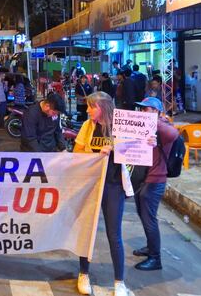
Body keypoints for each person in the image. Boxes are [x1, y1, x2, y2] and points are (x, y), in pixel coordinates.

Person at [73, 91, 131, 296]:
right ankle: (83, 273)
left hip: (114, 186)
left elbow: (136, 151)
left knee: (114, 234)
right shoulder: (87, 126)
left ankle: (119, 281)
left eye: (91, 107)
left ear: (103, 108)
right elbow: (77, 153)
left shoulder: (122, 127)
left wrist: (148, 143)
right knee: (87, 231)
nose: (87, 110)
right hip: (91, 185)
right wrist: (97, 154)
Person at [131, 97, 179, 271]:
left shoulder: (163, 128)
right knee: (142, 214)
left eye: (149, 110)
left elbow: (175, 134)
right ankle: (150, 247)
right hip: (141, 176)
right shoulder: (143, 127)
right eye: (143, 110)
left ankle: (155, 258)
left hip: (155, 179)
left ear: (158, 112)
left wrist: (155, 123)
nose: (144, 113)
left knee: (149, 218)